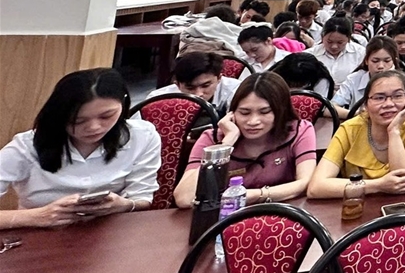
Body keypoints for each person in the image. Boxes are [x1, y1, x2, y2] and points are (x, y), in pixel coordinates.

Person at [0, 69, 160, 228]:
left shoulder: (142, 136)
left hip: (112, 233)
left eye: (106, 116)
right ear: (59, 116)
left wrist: (123, 205)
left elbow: (142, 198)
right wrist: (39, 216)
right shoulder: (26, 147)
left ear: (123, 103)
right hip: (40, 235)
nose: (94, 127)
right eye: (78, 120)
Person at [172, 72, 316, 208]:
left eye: (264, 112)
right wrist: (226, 144)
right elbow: (184, 198)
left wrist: (256, 195)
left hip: (282, 215)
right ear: (232, 112)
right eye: (244, 113)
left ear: (281, 111)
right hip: (224, 218)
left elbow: (306, 183)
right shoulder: (212, 138)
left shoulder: (298, 130)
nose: (253, 121)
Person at [307, 70, 405, 197]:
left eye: (398, 96)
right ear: (366, 104)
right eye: (379, 98)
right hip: (361, 202)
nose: (389, 104)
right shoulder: (350, 129)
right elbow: (316, 187)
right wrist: (378, 185)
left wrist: (394, 131)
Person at [146, 52, 239, 109]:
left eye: (206, 85)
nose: (198, 94)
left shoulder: (236, 90)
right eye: (190, 88)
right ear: (177, 84)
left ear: (219, 78)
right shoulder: (157, 100)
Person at [334, 36, 401, 110]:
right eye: (375, 61)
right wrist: (358, 114)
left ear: (394, 61)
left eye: (387, 61)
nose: (381, 66)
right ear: (366, 60)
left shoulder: (402, 81)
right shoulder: (353, 80)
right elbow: (332, 107)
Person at [307, 18, 367, 85]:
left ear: (349, 38)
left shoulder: (360, 53)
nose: (334, 46)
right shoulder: (310, 55)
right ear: (322, 37)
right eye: (329, 42)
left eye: (340, 42)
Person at [272, 51, 336, 102]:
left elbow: (319, 105)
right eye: (290, 84)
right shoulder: (279, 70)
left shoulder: (321, 79)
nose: (293, 88)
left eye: (297, 85)